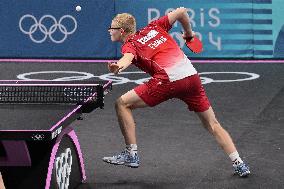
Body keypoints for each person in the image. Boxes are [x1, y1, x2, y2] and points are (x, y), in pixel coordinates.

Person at [103, 7, 250, 177]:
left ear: (121, 31)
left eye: (111, 29)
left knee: (122, 103)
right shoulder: (154, 27)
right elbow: (181, 11)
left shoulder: (130, 45)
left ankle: (131, 153)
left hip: (168, 80)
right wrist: (188, 35)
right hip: (192, 77)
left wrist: (118, 66)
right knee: (212, 124)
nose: (109, 31)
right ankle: (239, 163)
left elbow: (127, 57)